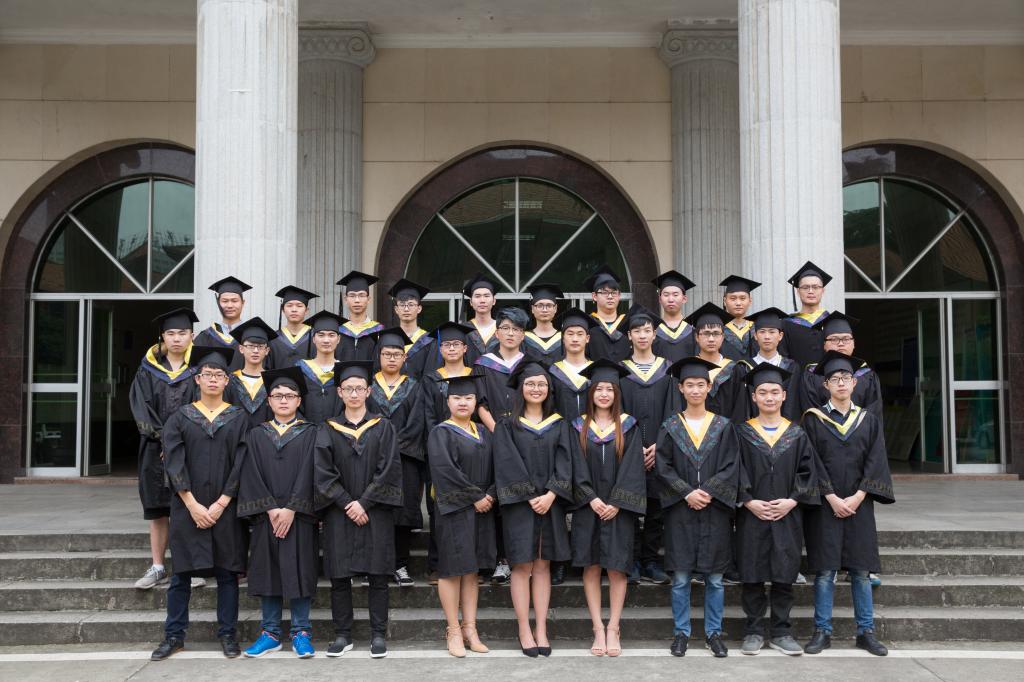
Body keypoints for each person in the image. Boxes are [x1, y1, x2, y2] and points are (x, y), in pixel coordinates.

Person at [151, 345, 248, 661]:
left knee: (227, 574)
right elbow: (173, 463)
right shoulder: (180, 418)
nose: (213, 379)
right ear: (197, 379)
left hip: (226, 508)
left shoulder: (239, 418)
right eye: (208, 374)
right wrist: (192, 504)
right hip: (187, 508)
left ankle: (228, 635)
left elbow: (242, 463)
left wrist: (222, 502)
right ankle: (174, 636)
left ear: (226, 381)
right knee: (181, 575)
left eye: (219, 375)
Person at [801, 351, 894, 657]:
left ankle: (866, 632)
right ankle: (822, 631)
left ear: (855, 383)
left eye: (846, 378)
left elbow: (876, 460)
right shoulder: (813, 420)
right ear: (825, 385)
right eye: (834, 379)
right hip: (825, 505)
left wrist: (859, 495)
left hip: (859, 505)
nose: (841, 383)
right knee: (824, 571)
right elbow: (810, 462)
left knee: (861, 571)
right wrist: (830, 496)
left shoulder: (868, 420)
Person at [315, 360, 404, 659]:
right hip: (338, 512)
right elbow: (323, 472)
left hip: (374, 511)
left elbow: (389, 468)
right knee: (339, 577)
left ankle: (378, 634)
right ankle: (343, 635)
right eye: (348, 389)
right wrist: (346, 503)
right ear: (339, 392)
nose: (354, 394)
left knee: (378, 575)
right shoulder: (327, 428)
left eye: (359, 389)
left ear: (368, 391)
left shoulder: (384, 427)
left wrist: (364, 502)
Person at [656, 356, 739, 659]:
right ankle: (681, 633)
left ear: (708, 387)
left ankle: (713, 633)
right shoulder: (670, 426)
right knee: (680, 578)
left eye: (700, 384)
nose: (695, 390)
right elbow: (662, 466)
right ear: (681, 388)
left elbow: (731, 465)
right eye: (689, 385)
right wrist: (687, 492)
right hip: (681, 509)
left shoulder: (723, 426)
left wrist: (708, 491)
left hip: (714, 509)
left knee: (715, 578)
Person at [735, 363, 820, 657]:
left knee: (785, 572)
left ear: (784, 395)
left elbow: (808, 472)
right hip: (752, 513)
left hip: (787, 514)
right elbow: (734, 470)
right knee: (752, 572)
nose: (769, 397)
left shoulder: (797, 434)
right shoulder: (742, 432)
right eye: (763, 392)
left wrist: (793, 500)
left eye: (774, 392)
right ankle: (753, 631)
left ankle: (782, 632)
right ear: (754, 397)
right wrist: (748, 501)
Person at [237, 366, 320, 659]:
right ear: (269, 400)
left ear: (299, 400)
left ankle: (301, 632)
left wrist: (292, 508)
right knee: (268, 572)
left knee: (301, 571)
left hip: (300, 517)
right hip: (267, 518)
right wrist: (272, 508)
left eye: (290, 395)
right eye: (277, 395)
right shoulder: (256, 435)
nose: (284, 400)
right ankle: (270, 633)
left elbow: (313, 472)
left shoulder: (312, 433)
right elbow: (250, 473)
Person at [493, 362, 574, 657]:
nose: (536, 389)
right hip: (520, 505)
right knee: (522, 565)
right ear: (521, 388)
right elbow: (506, 461)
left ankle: (541, 628)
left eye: (541, 384)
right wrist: (528, 496)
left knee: (542, 565)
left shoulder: (559, 424)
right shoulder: (507, 425)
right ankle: (523, 628)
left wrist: (552, 494)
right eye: (530, 384)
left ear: (549, 389)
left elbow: (567, 460)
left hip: (550, 503)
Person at [570, 359, 647, 658]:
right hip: (588, 507)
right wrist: (590, 498)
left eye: (610, 389)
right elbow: (574, 465)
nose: (604, 394)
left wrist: (617, 502)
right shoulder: (577, 426)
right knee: (591, 567)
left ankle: (614, 627)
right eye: (599, 389)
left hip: (619, 509)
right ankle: (597, 628)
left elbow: (633, 468)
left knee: (617, 568)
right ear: (591, 392)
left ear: (617, 393)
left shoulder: (629, 426)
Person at [428, 374, 496, 658]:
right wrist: (476, 497)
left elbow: (498, 465)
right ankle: (453, 630)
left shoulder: (484, 432)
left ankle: (471, 629)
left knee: (472, 570)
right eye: (457, 398)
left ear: (475, 402)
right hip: (454, 510)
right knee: (451, 570)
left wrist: (491, 494)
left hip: (483, 509)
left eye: (468, 398)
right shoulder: (440, 433)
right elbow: (445, 470)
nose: (463, 402)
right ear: (448, 402)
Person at [130, 307, 199, 591]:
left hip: (190, 448)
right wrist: (163, 440)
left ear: (191, 335)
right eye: (171, 333)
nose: (176, 338)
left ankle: (191, 567)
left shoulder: (199, 371)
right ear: (163, 337)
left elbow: (201, 408)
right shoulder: (147, 370)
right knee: (157, 509)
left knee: (188, 507)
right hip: (153, 448)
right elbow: (140, 408)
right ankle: (158, 566)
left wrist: (178, 443)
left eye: (182, 333)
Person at [364, 327, 426, 588]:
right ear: (379, 356)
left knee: (402, 512)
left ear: (404, 358)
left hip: (405, 460)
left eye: (396, 354)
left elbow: (417, 423)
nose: (391, 358)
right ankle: (375, 565)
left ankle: (400, 564)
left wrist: (392, 447)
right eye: (387, 354)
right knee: (374, 510)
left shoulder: (414, 387)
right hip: (371, 458)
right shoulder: (366, 386)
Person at [618, 306, 675, 585]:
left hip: (658, 452)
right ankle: (630, 561)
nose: (642, 335)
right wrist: (634, 447)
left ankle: (651, 561)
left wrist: (658, 447)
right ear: (629, 336)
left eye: (647, 330)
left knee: (655, 507)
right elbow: (615, 411)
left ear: (654, 335)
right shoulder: (620, 371)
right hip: (627, 451)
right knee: (628, 506)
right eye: (637, 331)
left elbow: (673, 412)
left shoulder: (667, 370)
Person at [420, 321, 475, 584]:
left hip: (473, 450)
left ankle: (475, 565)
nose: (451, 348)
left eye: (456, 344)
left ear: (465, 348)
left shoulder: (477, 375)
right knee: (438, 508)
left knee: (473, 506)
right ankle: (437, 563)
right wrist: (439, 446)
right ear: (440, 349)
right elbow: (428, 415)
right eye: (447, 345)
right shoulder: (431, 378)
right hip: (440, 453)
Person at [799, 312, 883, 422]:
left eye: (846, 339)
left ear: (854, 343)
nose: (841, 344)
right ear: (824, 345)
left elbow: (874, 416)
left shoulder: (867, 376)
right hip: (822, 432)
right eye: (834, 339)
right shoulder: (812, 375)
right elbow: (811, 416)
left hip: (861, 432)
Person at [686, 302, 751, 422]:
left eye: (716, 333)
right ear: (697, 337)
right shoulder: (688, 369)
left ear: (723, 337)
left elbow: (740, 409)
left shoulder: (735, 370)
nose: (711, 339)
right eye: (706, 333)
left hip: (729, 432)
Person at [476, 306, 529, 432]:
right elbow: (480, 404)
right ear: (497, 333)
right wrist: (497, 432)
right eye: (505, 328)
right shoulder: (483, 365)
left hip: (526, 433)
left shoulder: (529, 365)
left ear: (522, 335)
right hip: (493, 433)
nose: (510, 333)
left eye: (516, 329)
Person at [746, 307, 802, 421]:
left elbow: (793, 405)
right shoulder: (744, 367)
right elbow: (743, 406)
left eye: (772, 332)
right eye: (762, 332)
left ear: (780, 336)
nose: (767, 337)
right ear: (755, 335)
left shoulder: (791, 367)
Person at [296, 310, 346, 424]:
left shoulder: (345, 371)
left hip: (338, 431)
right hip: (306, 431)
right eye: (321, 335)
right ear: (314, 339)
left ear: (338, 339)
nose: (326, 340)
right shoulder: (301, 370)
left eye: (331, 335)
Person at [227, 317, 276, 429]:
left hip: (266, 437)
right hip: (235, 437)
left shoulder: (273, 381)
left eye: (260, 347)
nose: (255, 351)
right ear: (241, 349)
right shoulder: (230, 380)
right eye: (250, 346)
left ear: (267, 351)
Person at [194, 276, 250, 372]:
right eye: (225, 301)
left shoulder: (251, 336)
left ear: (243, 303)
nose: (229, 305)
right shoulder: (205, 337)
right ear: (218, 303)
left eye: (234, 301)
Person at [549, 307, 596, 422]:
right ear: (563, 338)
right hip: (561, 430)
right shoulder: (553, 371)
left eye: (580, 334)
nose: (575, 339)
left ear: (587, 338)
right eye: (570, 334)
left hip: (592, 431)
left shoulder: (596, 370)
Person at [782, 261, 832, 368]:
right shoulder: (786, 324)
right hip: (797, 377)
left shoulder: (832, 321)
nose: (810, 291)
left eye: (815, 287)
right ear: (798, 291)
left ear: (823, 290)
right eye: (805, 287)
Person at [388, 278, 436, 379]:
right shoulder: (388, 339)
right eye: (402, 305)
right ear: (396, 309)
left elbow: (430, 376)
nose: (406, 309)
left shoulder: (429, 341)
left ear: (419, 309)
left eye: (411, 304)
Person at [584, 265, 630, 363]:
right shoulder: (587, 325)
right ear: (594, 296)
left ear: (619, 296)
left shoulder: (628, 323)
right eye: (604, 292)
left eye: (614, 292)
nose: (610, 297)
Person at [336, 270, 384, 362]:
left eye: (361, 295)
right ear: (345, 299)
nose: (357, 300)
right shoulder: (337, 330)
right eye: (352, 295)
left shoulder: (379, 331)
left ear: (368, 299)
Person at [267, 285, 318, 370]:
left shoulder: (316, 337)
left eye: (299, 306)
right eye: (289, 305)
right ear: (283, 310)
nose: (294, 309)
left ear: (306, 310)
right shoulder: (273, 339)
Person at [651, 270, 697, 363]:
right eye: (666, 295)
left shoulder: (693, 330)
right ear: (660, 299)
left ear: (684, 299)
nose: (671, 299)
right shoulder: (652, 330)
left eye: (675, 295)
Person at [462, 272, 501, 366]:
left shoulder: (503, 329)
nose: (482, 300)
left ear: (494, 301)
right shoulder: (462, 330)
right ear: (471, 302)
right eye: (477, 296)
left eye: (486, 296)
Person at [719, 275, 761, 361]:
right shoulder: (718, 329)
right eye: (733, 298)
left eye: (742, 298)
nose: (738, 303)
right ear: (725, 301)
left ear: (750, 301)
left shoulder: (758, 328)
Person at [523, 283, 564, 362]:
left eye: (549, 305)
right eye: (540, 305)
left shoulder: (564, 338)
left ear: (555, 308)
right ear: (532, 309)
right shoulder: (523, 338)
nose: (544, 310)